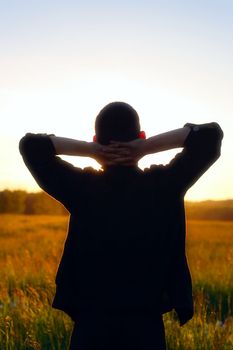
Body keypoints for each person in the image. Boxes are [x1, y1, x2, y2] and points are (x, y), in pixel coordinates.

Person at [19, 102, 223, 350]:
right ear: (141, 136)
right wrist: (145, 148)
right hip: (146, 331)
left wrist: (92, 150)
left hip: (90, 331)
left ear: (96, 139)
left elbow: (30, 146)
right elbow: (210, 136)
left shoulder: (82, 188)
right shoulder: (164, 185)